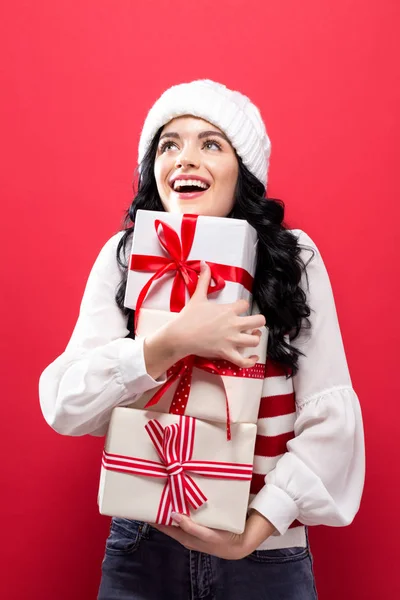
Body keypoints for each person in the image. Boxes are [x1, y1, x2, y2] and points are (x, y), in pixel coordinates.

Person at [39, 79, 365, 600]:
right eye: (169, 145)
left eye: (210, 143)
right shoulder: (124, 257)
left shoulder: (291, 257)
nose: (185, 159)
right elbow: (66, 407)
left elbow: (328, 419)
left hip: (265, 554)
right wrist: (168, 343)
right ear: (154, 169)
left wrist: (252, 532)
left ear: (244, 172)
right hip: (142, 547)